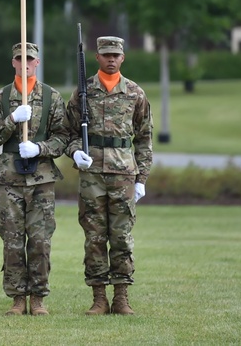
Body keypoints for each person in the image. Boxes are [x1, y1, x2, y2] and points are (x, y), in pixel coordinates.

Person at [65, 35, 153, 316]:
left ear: (123, 58)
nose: (111, 59)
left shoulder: (135, 93)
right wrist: (76, 151)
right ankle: (99, 297)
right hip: (92, 175)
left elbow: (144, 138)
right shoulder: (83, 92)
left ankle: (122, 297)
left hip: (123, 174)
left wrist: (142, 179)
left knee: (122, 236)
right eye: (106, 55)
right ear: (97, 57)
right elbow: (67, 134)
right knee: (94, 237)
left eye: (116, 55)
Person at [0, 42, 71, 316]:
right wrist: (12, 119)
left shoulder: (51, 97)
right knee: (11, 239)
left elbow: (62, 138)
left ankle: (38, 297)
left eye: (29, 59)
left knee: (40, 240)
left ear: (37, 62)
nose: (24, 63)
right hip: (10, 176)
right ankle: (17, 297)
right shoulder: (0, 97)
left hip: (41, 177)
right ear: (13, 62)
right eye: (19, 58)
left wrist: (40, 148)